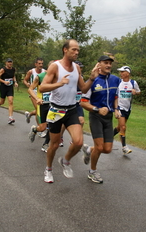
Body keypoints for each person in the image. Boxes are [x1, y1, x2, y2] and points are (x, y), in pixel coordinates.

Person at [39, 39, 98, 183]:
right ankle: (48, 169)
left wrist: (91, 79)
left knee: (78, 142)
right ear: (65, 50)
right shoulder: (55, 67)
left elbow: (83, 89)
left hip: (71, 109)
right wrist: (60, 83)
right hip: (56, 110)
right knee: (54, 144)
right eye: (74, 50)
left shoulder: (77, 68)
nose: (77, 52)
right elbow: (42, 88)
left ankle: (65, 161)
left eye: (78, 50)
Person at [81, 55, 121, 184]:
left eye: (110, 63)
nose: (108, 65)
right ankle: (92, 172)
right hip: (96, 116)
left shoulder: (116, 80)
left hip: (108, 118)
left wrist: (116, 109)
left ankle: (89, 150)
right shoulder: (93, 81)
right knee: (99, 146)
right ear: (99, 64)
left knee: (107, 149)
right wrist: (97, 109)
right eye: (105, 63)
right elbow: (83, 102)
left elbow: (115, 96)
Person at [113, 66, 141, 155]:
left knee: (119, 128)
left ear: (127, 73)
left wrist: (135, 92)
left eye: (122, 72)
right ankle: (124, 147)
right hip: (119, 107)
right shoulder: (118, 82)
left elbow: (139, 92)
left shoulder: (133, 82)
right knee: (123, 127)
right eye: (120, 72)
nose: (121, 74)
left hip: (128, 108)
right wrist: (115, 108)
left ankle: (108, 138)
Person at [27, 60, 54, 152]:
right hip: (43, 105)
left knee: (52, 126)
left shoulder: (58, 78)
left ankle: (45, 144)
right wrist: (37, 98)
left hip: (54, 106)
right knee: (42, 127)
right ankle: (35, 129)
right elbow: (30, 89)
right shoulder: (40, 77)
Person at [0, 58, 19, 124]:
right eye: (8, 62)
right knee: (2, 101)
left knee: (10, 101)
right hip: (3, 87)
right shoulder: (3, 69)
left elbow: (13, 76)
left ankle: (10, 117)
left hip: (10, 87)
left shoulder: (13, 69)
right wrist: (4, 81)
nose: (10, 63)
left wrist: (15, 82)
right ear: (6, 63)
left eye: (11, 62)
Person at [23, 58, 45, 124]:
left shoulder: (45, 72)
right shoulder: (31, 72)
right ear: (35, 64)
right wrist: (27, 84)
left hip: (41, 93)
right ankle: (40, 128)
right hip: (33, 92)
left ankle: (29, 114)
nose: (41, 65)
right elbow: (24, 80)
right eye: (39, 63)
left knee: (40, 110)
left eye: (42, 63)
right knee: (38, 109)